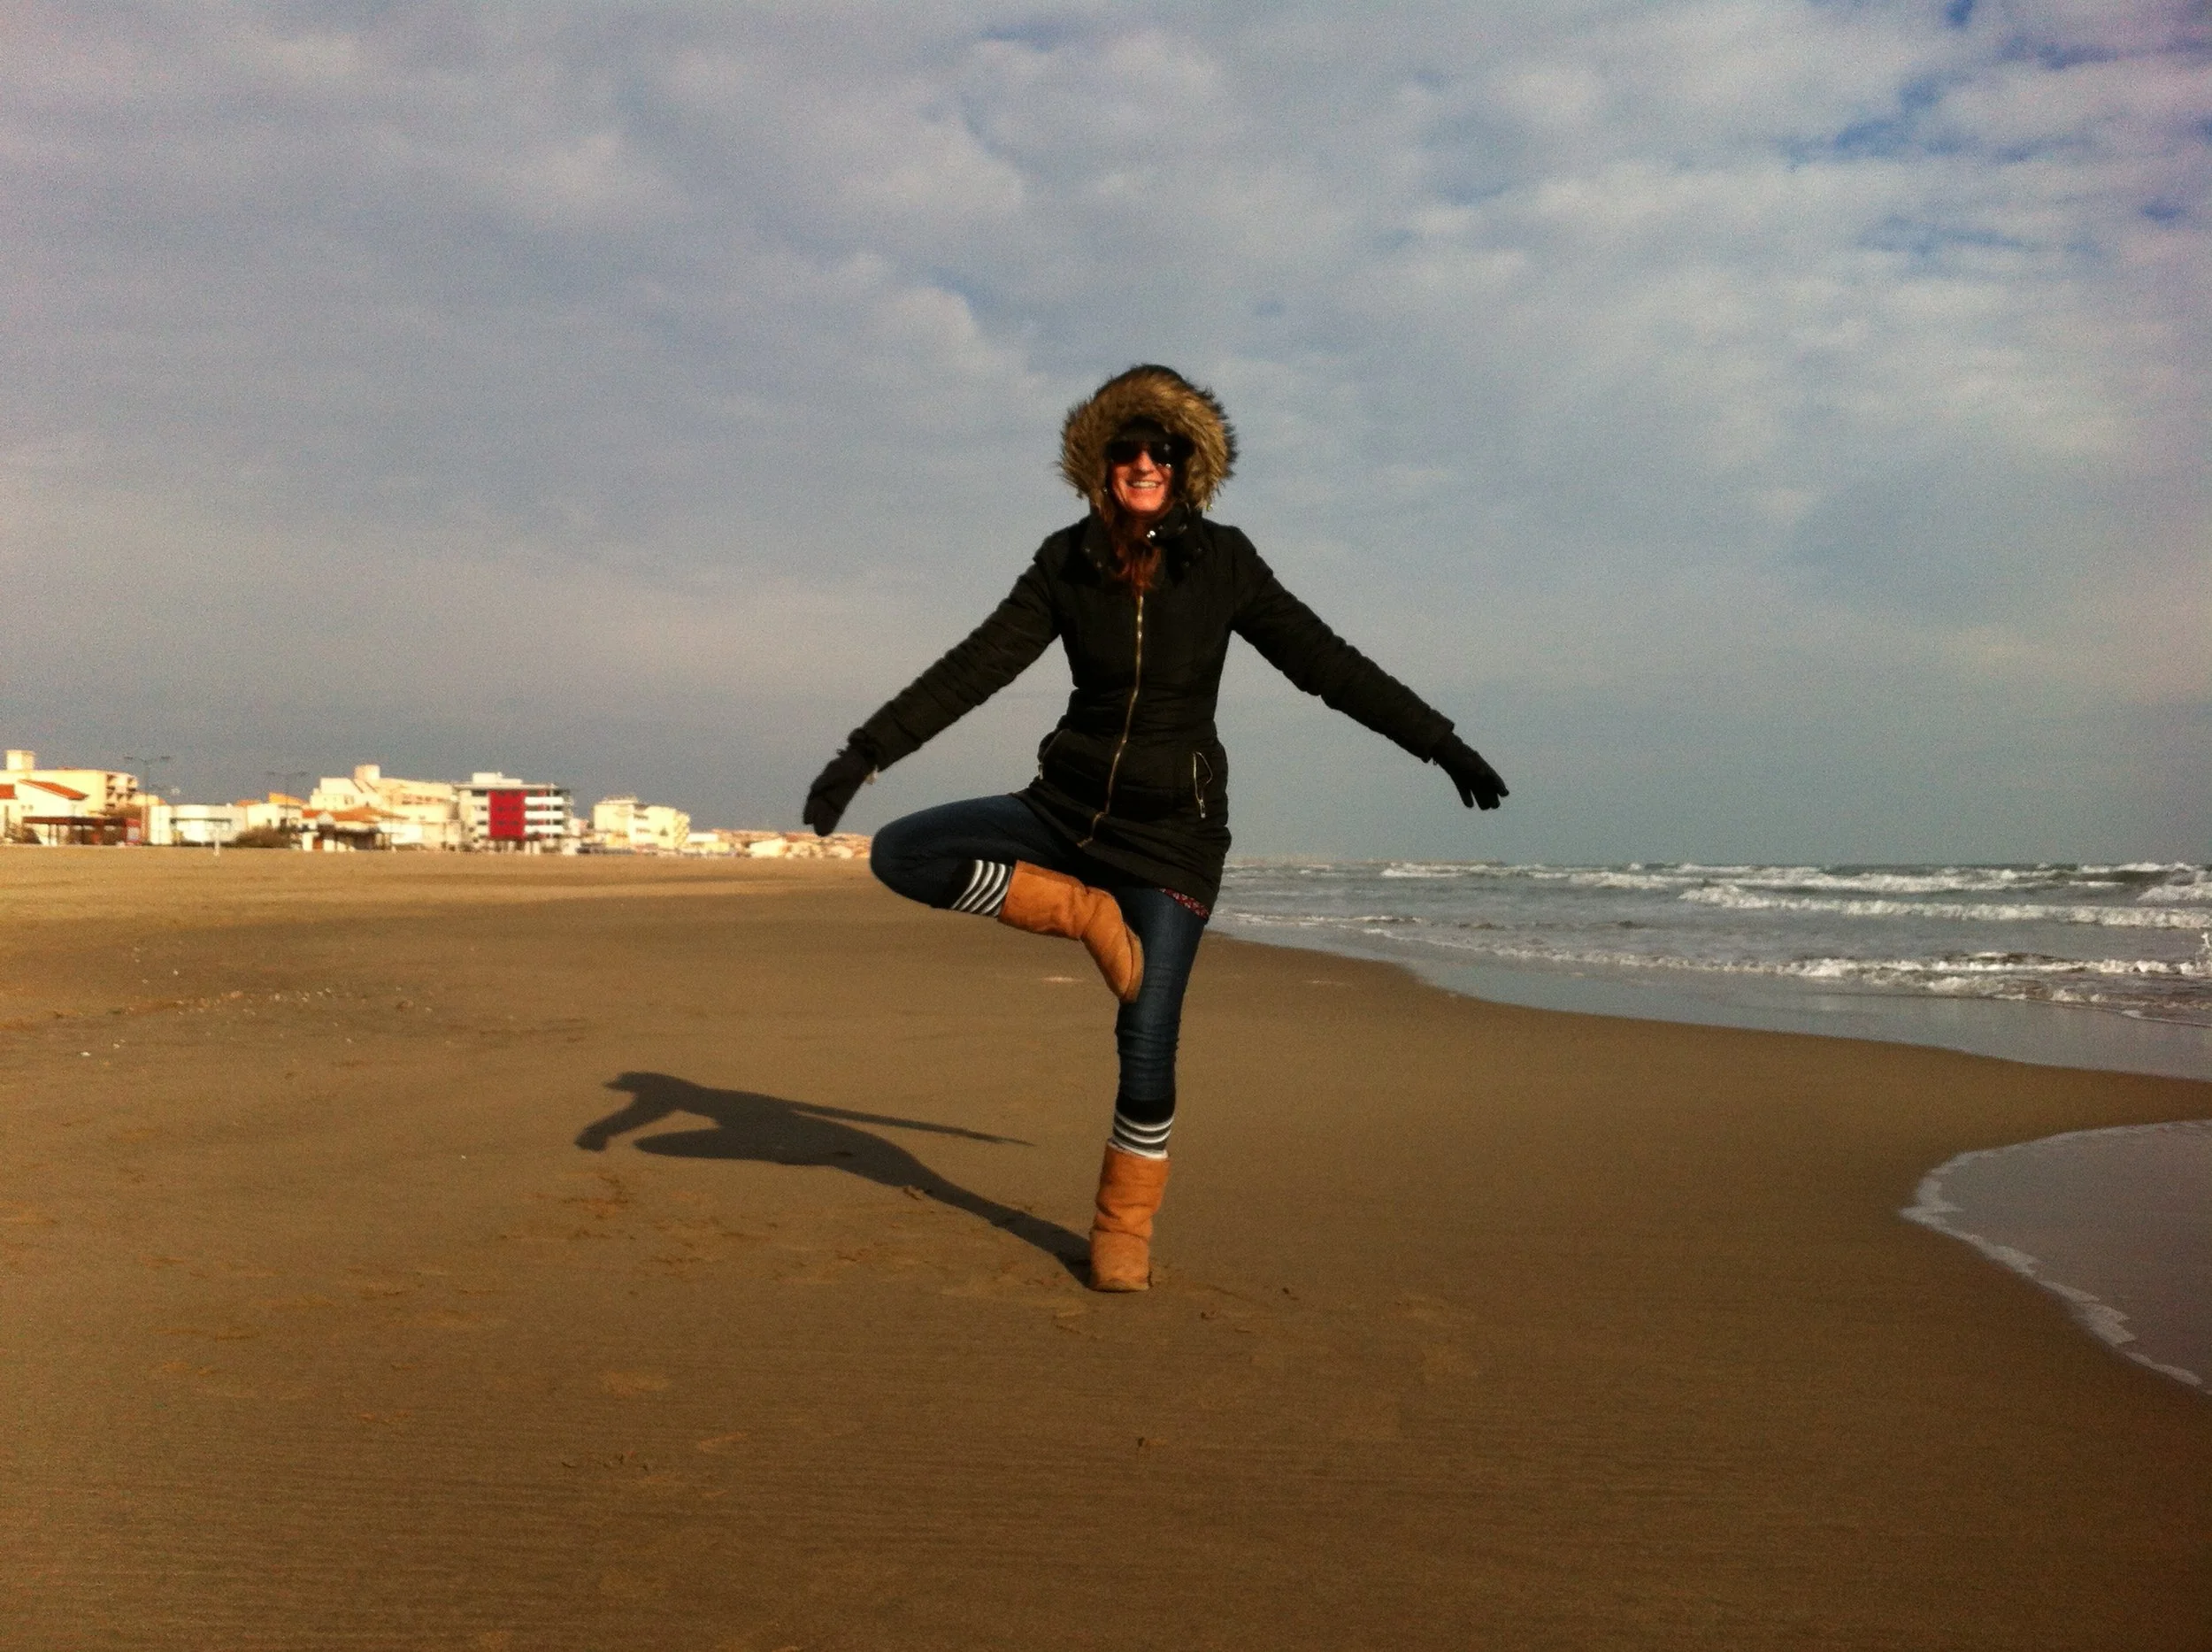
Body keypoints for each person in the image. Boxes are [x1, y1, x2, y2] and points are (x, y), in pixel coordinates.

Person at [802, 364, 1507, 1292]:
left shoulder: (1225, 564)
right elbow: (975, 667)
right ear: (1101, 464)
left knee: (1147, 1036)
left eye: (1162, 450)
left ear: (1187, 466)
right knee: (903, 852)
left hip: (1174, 831)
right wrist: (864, 753)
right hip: (1062, 810)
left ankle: (1120, 1229)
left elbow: (1325, 663)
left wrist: (1440, 743)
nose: (1144, 463)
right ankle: (1082, 914)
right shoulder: (1065, 561)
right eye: (1127, 449)